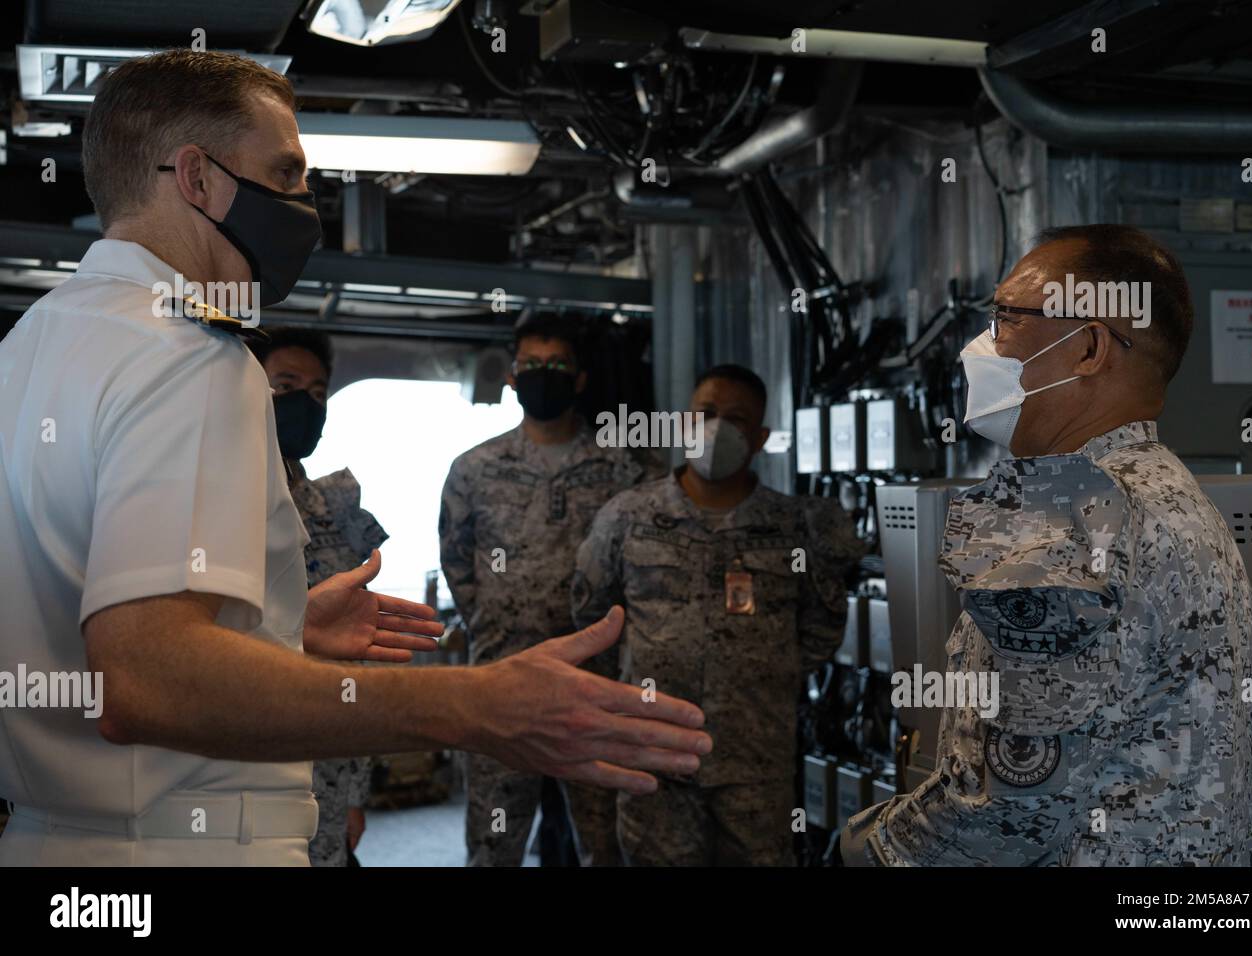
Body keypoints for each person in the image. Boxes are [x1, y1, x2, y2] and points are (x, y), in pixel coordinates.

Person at [0, 49, 710, 867]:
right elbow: (145, 681)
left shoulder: (33, 346)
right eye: (287, 172)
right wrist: (474, 703)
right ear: (195, 177)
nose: (306, 201)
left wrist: (280, 633)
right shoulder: (186, 352)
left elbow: (88, 646)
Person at [841, 224, 1252, 866]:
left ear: (1089, 347)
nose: (980, 345)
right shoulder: (1172, 493)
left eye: (1007, 317)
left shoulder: (1068, 518)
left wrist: (868, 848)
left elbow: (1009, 805)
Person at [571, 365, 863, 865]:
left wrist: (761, 676)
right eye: (706, 414)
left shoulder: (796, 526)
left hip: (756, 764)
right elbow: (591, 617)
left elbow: (821, 628)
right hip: (653, 754)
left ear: (761, 437)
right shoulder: (627, 516)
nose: (716, 428)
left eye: (737, 419)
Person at [439, 314, 664, 866]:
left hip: (595, 686)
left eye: (557, 366)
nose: (544, 375)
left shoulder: (622, 469)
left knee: (607, 846)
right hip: (501, 681)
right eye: (531, 366)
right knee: (494, 846)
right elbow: (456, 561)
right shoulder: (475, 468)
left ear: (580, 379)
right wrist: (497, 620)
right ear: (513, 378)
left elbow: (641, 566)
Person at [252, 327, 384, 867]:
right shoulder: (209, 495)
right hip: (243, 761)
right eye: (285, 385)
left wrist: (354, 793)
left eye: (317, 392)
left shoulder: (333, 508)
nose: (304, 403)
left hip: (326, 766)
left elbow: (358, 658)